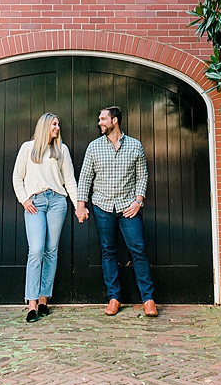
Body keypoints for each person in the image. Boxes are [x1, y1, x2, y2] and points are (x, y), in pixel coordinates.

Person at [75, 106, 158, 317]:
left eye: (103, 119)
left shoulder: (134, 146)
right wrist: (81, 204)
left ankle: (148, 300)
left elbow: (142, 176)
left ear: (115, 121)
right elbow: (85, 177)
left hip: (128, 208)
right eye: (99, 119)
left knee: (138, 250)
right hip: (102, 206)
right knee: (108, 251)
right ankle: (114, 298)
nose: (99, 123)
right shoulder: (94, 147)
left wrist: (139, 201)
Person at [12, 113, 81, 323]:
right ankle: (31, 302)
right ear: (44, 126)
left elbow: (69, 180)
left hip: (58, 202)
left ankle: (43, 300)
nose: (58, 127)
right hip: (35, 203)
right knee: (36, 250)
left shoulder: (61, 150)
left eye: (58, 124)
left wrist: (79, 205)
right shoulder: (27, 148)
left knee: (51, 251)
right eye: (54, 124)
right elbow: (17, 177)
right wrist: (24, 200)